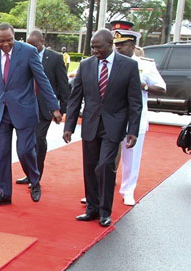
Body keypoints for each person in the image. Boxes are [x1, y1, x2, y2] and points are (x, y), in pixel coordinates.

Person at [0, 23, 61, 206]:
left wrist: (54, 107)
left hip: (24, 110)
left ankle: (34, 179)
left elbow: (42, 80)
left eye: (9, 41)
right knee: (2, 154)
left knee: (24, 151)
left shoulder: (28, 51)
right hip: (1, 111)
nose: (5, 45)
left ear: (15, 38)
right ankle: (4, 194)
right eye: (1, 41)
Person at [63, 29, 142, 227]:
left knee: (105, 165)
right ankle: (92, 209)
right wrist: (69, 126)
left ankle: (105, 211)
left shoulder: (129, 66)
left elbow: (135, 102)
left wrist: (133, 130)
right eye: (92, 47)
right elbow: (75, 99)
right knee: (90, 167)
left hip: (114, 125)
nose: (95, 51)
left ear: (110, 43)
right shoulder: (86, 65)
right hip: (90, 124)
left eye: (98, 47)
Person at [112, 20, 166, 206]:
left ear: (133, 46)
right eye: (116, 45)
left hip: (135, 118)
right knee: (106, 156)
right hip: (112, 117)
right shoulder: (110, 63)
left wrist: (142, 84)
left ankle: (128, 190)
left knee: (131, 158)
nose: (118, 48)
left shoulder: (145, 65)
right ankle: (101, 188)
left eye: (122, 45)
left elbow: (161, 88)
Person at [16, 30, 70, 185]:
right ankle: (29, 173)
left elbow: (63, 86)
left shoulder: (55, 58)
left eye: (35, 45)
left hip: (45, 107)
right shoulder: (23, 57)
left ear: (42, 41)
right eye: (29, 44)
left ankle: (36, 176)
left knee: (38, 140)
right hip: (26, 106)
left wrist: (62, 109)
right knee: (25, 143)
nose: (32, 47)